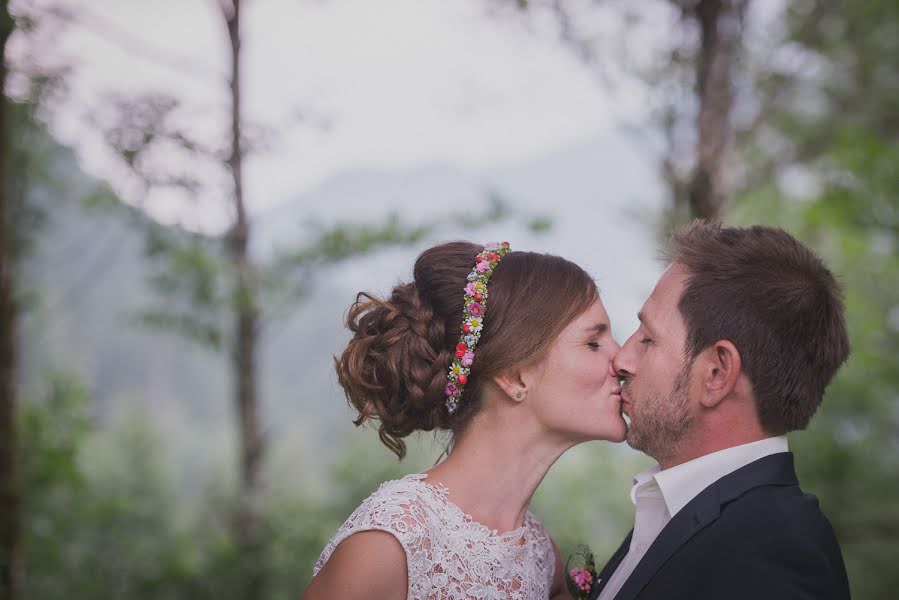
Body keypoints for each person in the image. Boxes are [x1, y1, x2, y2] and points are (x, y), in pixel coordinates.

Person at [302, 241, 626, 600]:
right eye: (593, 343)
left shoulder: (540, 554)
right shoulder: (393, 543)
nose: (623, 359)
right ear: (515, 376)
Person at [591, 222, 851, 600]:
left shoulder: (771, 555)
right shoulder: (687, 512)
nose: (622, 359)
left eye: (648, 339)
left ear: (716, 373)